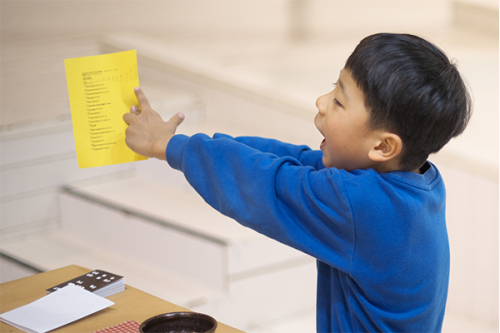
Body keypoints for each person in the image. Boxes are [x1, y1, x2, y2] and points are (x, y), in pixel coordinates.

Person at [123, 33, 472, 332]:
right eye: (332, 88)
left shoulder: (360, 206)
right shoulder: (417, 181)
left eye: (338, 101)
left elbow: (265, 182)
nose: (321, 102)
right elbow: (290, 160)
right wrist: (190, 141)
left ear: (383, 146)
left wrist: (165, 146)